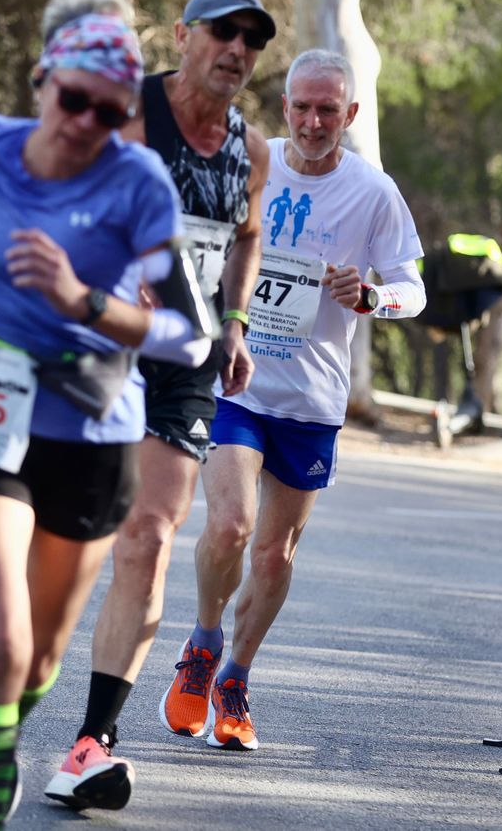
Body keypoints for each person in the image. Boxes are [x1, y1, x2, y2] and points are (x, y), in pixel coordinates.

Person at [0, 0, 212, 827]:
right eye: (73, 98)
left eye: (109, 109)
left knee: (41, 657)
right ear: (43, 81)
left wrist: (83, 299)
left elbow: (185, 336)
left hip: (91, 425)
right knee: (1, 643)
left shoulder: (137, 185)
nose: (86, 121)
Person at [159, 49, 426, 751]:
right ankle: (202, 645)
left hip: (313, 399)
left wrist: (371, 295)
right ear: (286, 108)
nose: (313, 122)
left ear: (350, 114)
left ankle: (236, 677)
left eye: (327, 111)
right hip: (238, 383)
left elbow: (411, 287)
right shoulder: (250, 159)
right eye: (302, 108)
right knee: (231, 526)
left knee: (275, 556)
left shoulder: (373, 192)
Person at [55, 0, 273, 802]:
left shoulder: (250, 151)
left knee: (147, 535)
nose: (237, 51)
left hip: (187, 364)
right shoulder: (130, 114)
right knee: (74, 536)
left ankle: (91, 743)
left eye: (252, 41)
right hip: (101, 344)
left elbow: (245, 240)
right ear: (182, 34)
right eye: (224, 33)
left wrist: (237, 322)